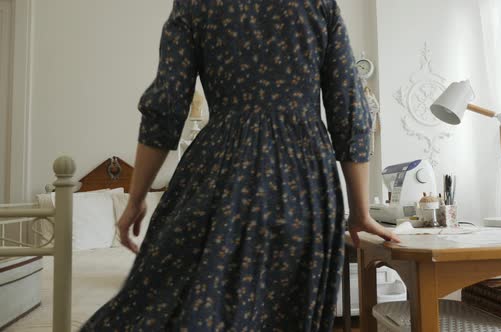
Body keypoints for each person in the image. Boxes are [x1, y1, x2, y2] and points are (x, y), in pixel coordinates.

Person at [80, 0, 400, 330]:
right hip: (303, 181)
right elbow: (348, 110)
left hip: (222, 173)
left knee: (172, 305)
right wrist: (360, 213)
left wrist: (136, 199)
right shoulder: (319, 5)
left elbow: (165, 106)